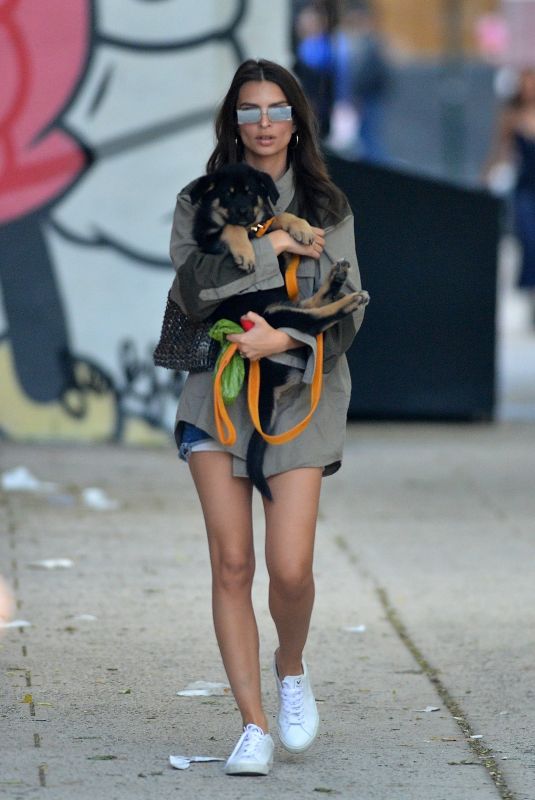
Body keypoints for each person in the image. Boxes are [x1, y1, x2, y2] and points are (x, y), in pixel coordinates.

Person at [167, 58, 366, 776]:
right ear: (233, 121)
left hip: (297, 397)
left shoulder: (325, 200)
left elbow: (352, 299)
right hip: (215, 396)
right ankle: (251, 725)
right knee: (231, 562)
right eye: (248, 110)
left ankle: (290, 667)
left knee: (289, 569)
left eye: (275, 108)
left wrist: (285, 337)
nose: (263, 123)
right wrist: (271, 251)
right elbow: (192, 292)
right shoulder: (201, 198)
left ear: (295, 118)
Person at [484, 67, 535, 326]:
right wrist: (485, 180)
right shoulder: (512, 116)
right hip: (525, 190)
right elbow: (500, 150)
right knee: (529, 241)